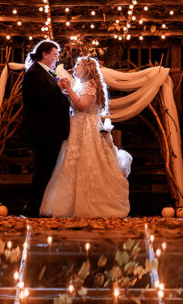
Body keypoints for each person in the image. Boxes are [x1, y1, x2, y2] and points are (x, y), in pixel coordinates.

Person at [41, 55, 132, 218]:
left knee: (87, 163)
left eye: (78, 65)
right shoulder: (82, 84)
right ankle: (70, 205)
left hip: (87, 129)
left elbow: (82, 106)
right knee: (72, 165)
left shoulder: (91, 84)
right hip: (77, 128)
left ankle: (90, 204)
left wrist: (68, 89)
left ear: (87, 70)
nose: (74, 67)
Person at [20, 40, 70, 216]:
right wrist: (58, 88)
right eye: (55, 54)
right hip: (43, 132)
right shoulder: (34, 73)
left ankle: (34, 207)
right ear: (45, 54)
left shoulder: (46, 73)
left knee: (45, 170)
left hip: (51, 131)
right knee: (43, 170)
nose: (57, 58)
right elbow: (37, 99)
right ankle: (32, 209)